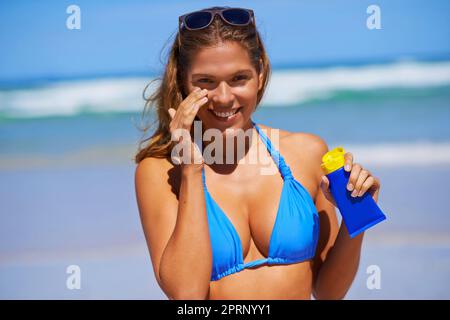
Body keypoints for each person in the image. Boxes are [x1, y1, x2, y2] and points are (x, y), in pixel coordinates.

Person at [134, 6, 381, 300]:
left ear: (260, 74)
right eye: (205, 82)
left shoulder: (306, 153)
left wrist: (359, 213)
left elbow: (328, 292)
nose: (224, 97)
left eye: (239, 78)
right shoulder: (161, 171)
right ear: (183, 83)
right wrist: (191, 170)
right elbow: (187, 295)